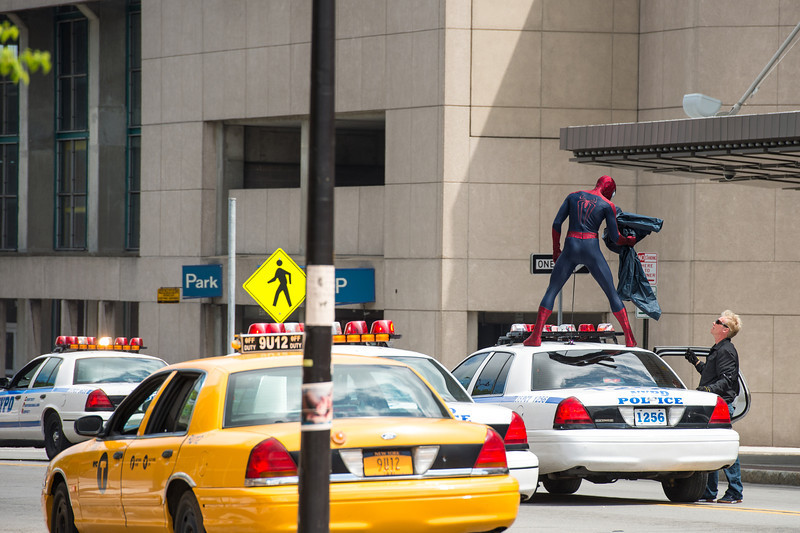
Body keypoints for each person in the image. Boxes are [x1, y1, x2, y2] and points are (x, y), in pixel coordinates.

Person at [525, 175, 637, 347]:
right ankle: (629, 338)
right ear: (609, 190)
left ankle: (536, 336)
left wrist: (556, 249)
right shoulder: (608, 205)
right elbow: (615, 237)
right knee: (611, 293)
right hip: (591, 247)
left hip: (571, 245)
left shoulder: (573, 196)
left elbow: (556, 223)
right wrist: (628, 240)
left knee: (552, 290)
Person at [685, 310, 743, 504]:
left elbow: (727, 379)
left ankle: (735, 491)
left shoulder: (726, 350)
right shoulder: (718, 348)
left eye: (718, 321)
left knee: (724, 447)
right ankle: (709, 491)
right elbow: (713, 374)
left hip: (722, 404)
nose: (713, 322)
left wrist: (707, 389)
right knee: (711, 446)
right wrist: (696, 362)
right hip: (715, 403)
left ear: (725, 330)